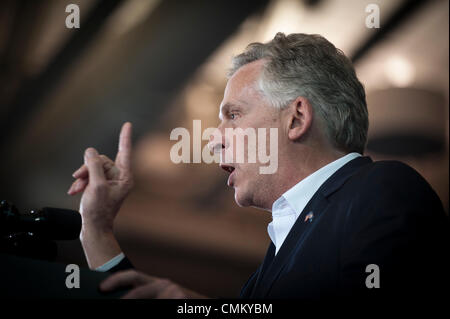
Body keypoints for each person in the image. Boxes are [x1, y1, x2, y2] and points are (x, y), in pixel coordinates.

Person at [67, 33, 449, 299]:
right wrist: (96, 230)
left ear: (296, 118)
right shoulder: (280, 252)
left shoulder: (384, 189)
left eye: (232, 115)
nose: (213, 138)